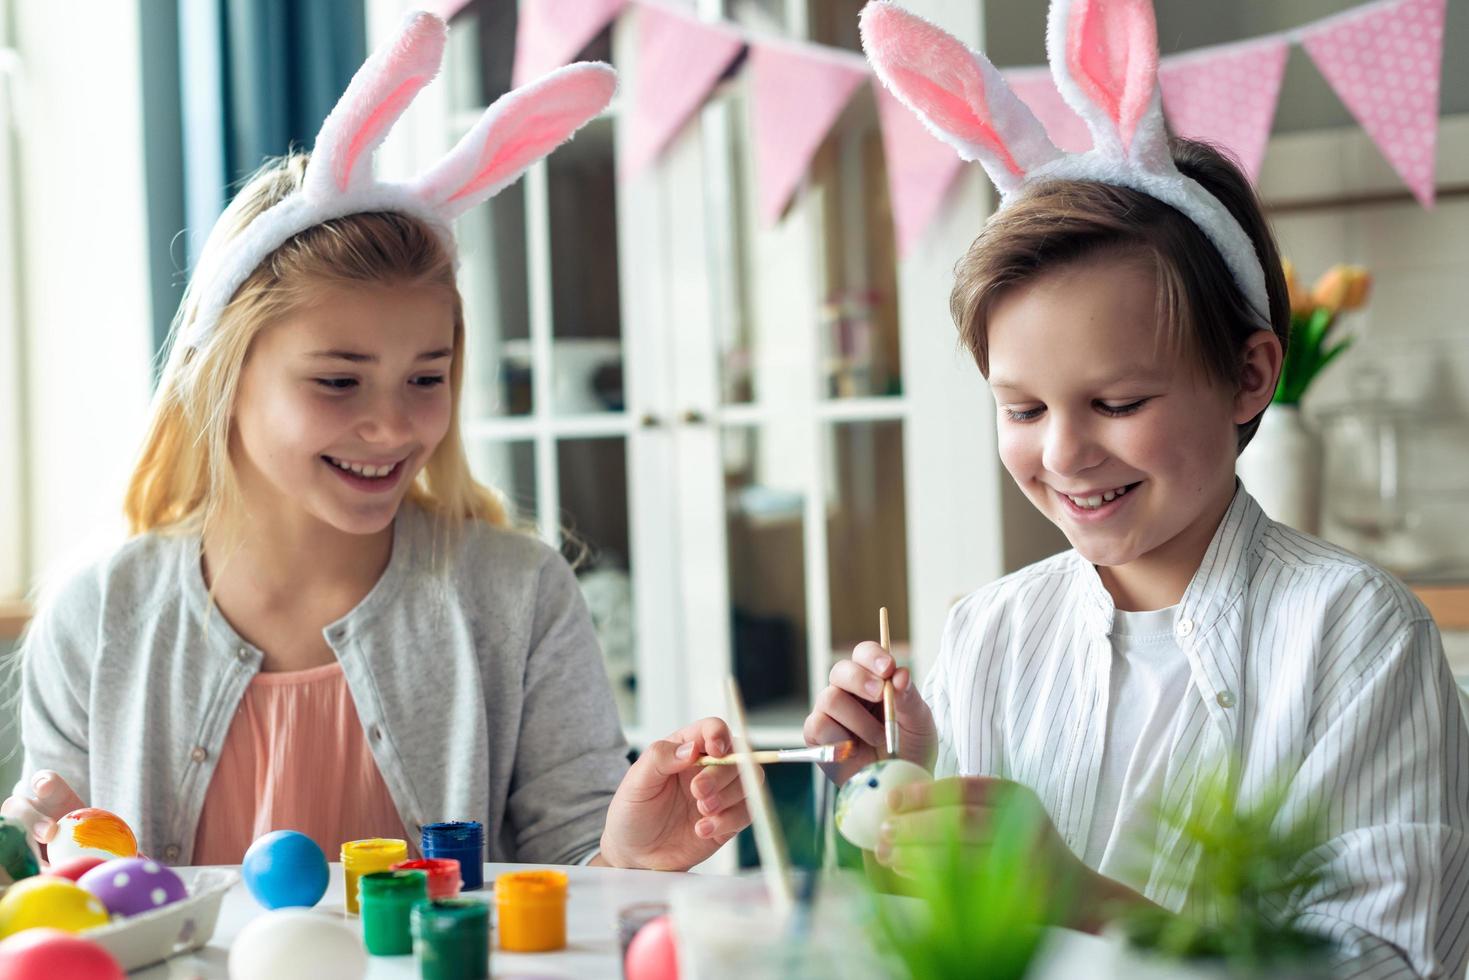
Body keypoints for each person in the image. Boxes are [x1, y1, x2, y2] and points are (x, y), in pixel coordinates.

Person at [805, 2, 1469, 974]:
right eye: (1023, 410)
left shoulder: (1355, 638)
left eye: (1114, 400)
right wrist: (881, 797)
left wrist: (1075, 891)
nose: (1064, 453)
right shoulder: (986, 635)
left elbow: (1373, 963)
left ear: (1248, 374)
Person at [3, 12, 751, 873]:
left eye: (426, 378)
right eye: (336, 380)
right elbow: (69, 910)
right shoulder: (97, 620)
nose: (394, 427)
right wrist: (30, 860)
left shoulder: (517, 598)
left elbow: (573, 885)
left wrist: (621, 860)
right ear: (225, 375)